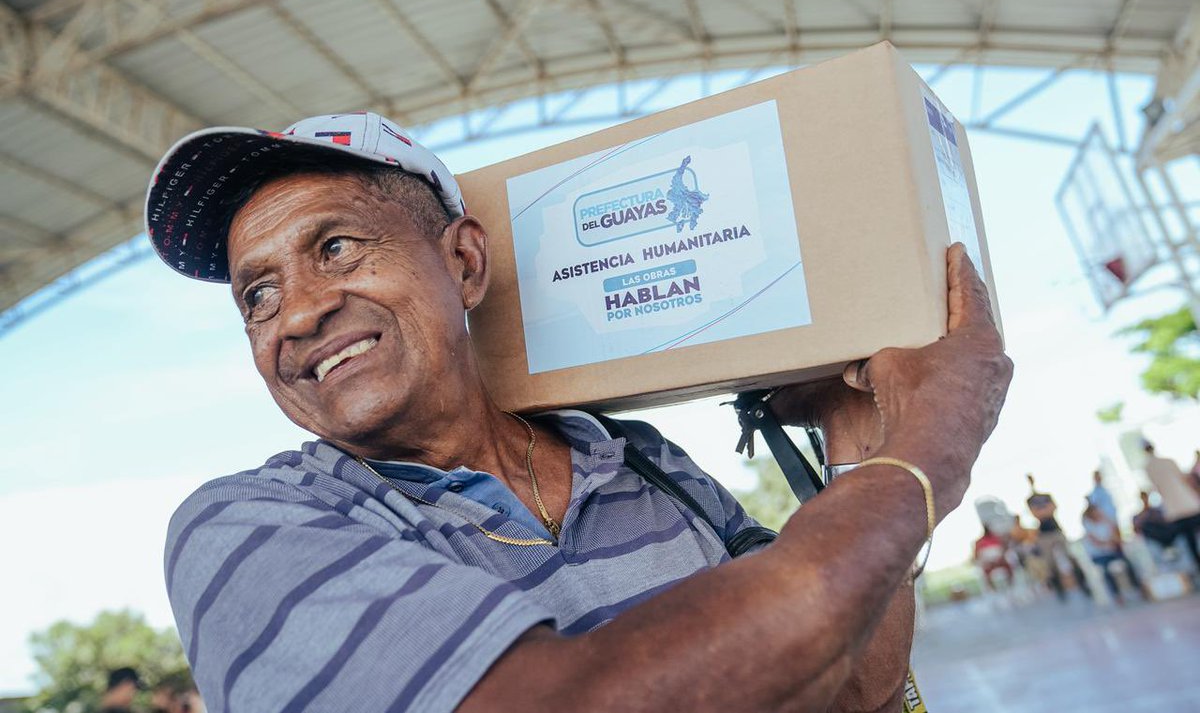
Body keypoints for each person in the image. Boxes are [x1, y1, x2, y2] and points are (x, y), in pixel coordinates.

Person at [146, 112, 1012, 712]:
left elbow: (854, 688)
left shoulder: (640, 460)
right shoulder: (250, 530)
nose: (296, 314)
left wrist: (859, 442)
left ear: (464, 262)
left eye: (334, 247)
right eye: (257, 295)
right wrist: (935, 443)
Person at [1142, 440, 1200, 570]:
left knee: (1190, 542)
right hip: (1188, 504)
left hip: (1175, 510)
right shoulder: (1167, 461)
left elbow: (1156, 488)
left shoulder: (1148, 468)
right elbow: (1184, 480)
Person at [1081, 502, 1145, 604]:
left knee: (1128, 564)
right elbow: (1097, 542)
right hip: (1099, 555)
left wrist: (1108, 522)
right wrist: (1109, 542)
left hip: (1111, 552)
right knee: (1107, 570)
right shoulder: (1088, 527)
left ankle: (1138, 588)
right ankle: (1117, 596)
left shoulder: (1105, 523)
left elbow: (1116, 537)